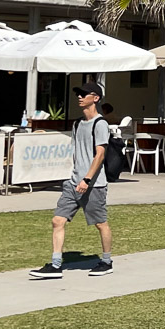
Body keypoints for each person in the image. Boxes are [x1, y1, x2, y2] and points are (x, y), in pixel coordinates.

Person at [29, 82, 113, 279]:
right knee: (57, 220)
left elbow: (100, 155)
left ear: (96, 98)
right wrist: (75, 177)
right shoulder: (77, 123)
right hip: (74, 182)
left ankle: (107, 261)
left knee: (100, 223)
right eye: (78, 94)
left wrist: (87, 179)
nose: (80, 97)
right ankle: (56, 265)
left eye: (84, 94)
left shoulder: (100, 124)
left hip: (93, 185)